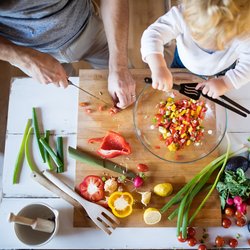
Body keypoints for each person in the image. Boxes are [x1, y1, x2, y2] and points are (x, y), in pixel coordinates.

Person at [0, 0, 136, 109]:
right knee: (67, 107)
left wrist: (119, 66)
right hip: (28, 50)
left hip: (87, 26)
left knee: (128, 89)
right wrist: (26, 60)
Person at [141, 0, 250, 99]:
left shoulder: (244, 31)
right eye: (198, 34)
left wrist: (226, 83)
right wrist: (158, 67)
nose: (208, 48)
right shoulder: (184, 14)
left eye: (221, 43)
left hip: (222, 69)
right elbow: (153, 34)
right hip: (183, 64)